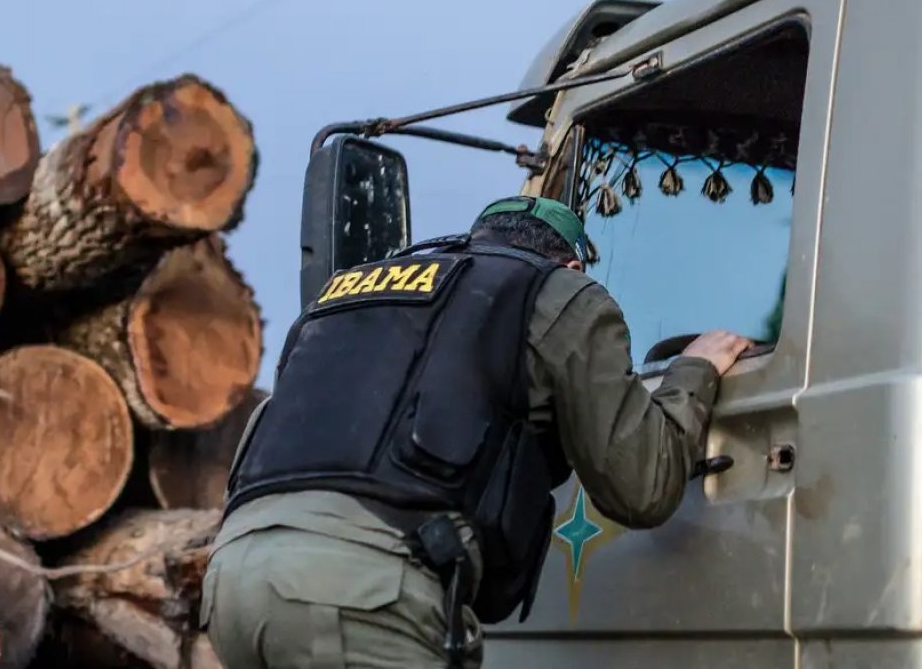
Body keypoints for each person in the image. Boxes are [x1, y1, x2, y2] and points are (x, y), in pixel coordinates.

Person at [200, 195, 752, 669]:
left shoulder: (346, 298)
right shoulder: (559, 292)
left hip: (231, 582)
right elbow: (642, 485)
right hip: (358, 593)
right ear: (572, 266)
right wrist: (694, 369)